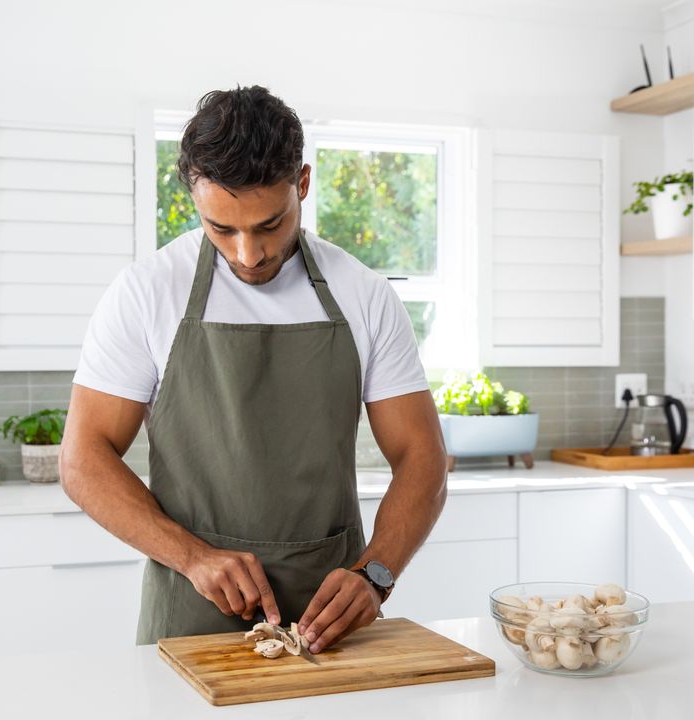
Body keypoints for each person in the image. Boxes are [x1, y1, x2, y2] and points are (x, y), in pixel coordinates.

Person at [60, 85, 447, 653]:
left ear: (303, 185)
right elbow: (82, 459)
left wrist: (377, 575)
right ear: (195, 199)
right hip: (192, 611)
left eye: (269, 225)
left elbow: (424, 458)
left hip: (334, 622)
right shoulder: (146, 294)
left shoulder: (364, 296)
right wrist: (192, 557)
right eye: (222, 229)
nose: (248, 254)